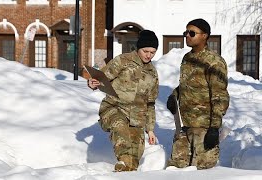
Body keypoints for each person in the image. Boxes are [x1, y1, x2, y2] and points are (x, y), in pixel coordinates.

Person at [87, 30, 159, 172]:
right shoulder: (123, 60)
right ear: (138, 48)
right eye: (146, 51)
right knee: (120, 128)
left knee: (133, 158)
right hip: (114, 108)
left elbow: (150, 103)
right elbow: (101, 78)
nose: (149, 55)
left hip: (136, 119)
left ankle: (124, 172)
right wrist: (92, 83)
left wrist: (150, 130)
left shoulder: (153, 73)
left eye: (153, 52)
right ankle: (123, 164)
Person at [166, 18, 230, 169]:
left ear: (205, 35)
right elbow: (188, 84)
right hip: (185, 127)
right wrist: (174, 95)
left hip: (204, 129)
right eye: (186, 32)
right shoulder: (187, 58)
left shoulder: (214, 62)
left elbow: (220, 96)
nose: (187, 35)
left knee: (202, 172)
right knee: (176, 170)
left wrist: (214, 128)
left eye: (192, 33)